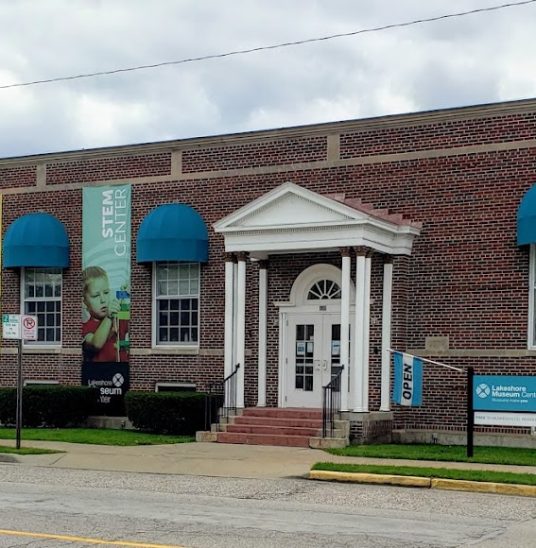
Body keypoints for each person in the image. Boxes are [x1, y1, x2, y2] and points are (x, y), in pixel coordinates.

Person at [82, 266, 128, 362]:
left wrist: (126, 294)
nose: (103, 300)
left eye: (106, 293)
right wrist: (108, 317)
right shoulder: (85, 327)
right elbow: (96, 344)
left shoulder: (119, 317)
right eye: (96, 296)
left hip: (122, 373)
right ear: (84, 302)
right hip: (100, 375)